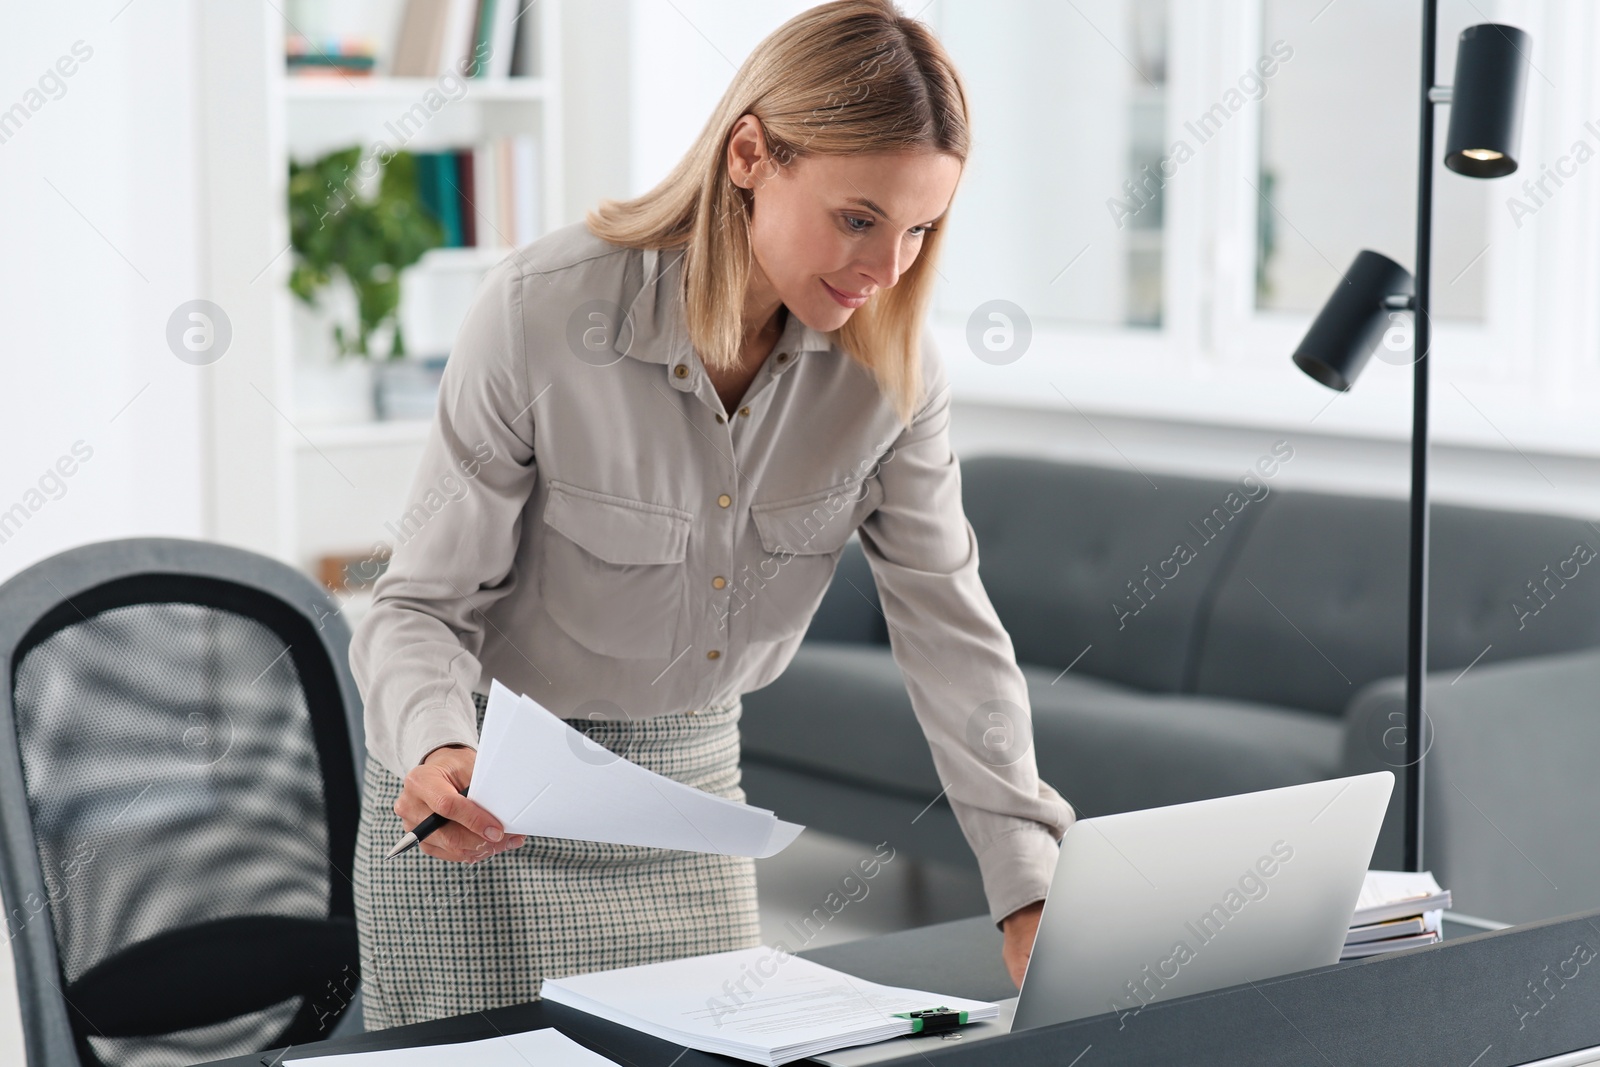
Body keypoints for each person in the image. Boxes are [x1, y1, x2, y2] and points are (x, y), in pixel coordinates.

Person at [348, 0, 1073, 1029]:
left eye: (920, 229)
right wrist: (434, 749)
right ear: (749, 153)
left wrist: (1028, 875)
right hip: (491, 805)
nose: (886, 269)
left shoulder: (891, 374)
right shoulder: (542, 314)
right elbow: (415, 605)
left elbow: (951, 631)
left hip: (688, 801)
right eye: (859, 217)